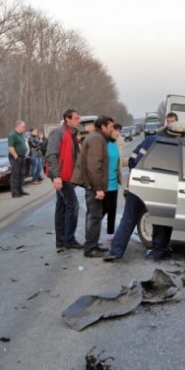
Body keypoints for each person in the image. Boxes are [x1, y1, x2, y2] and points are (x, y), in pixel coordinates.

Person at [103, 122, 185, 262]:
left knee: (129, 218)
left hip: (140, 182)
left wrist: (137, 173)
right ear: (177, 135)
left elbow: (133, 160)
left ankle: (116, 251)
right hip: (162, 186)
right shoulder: (176, 146)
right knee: (161, 219)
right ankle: (159, 251)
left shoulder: (150, 140)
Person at [71, 115, 115, 258]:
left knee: (94, 215)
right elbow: (94, 167)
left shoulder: (97, 137)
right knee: (94, 216)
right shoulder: (97, 139)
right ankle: (90, 248)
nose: (112, 130)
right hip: (93, 185)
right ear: (103, 127)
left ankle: (93, 244)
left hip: (92, 184)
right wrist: (99, 189)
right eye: (110, 127)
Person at [45, 109, 82, 252]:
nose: (79, 120)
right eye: (76, 118)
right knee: (73, 206)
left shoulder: (72, 135)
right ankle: (69, 240)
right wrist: (56, 176)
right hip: (62, 177)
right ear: (68, 119)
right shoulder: (58, 132)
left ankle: (61, 241)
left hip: (67, 177)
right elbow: (51, 155)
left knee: (61, 208)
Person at [102, 123, 123, 241]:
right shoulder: (104, 143)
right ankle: (91, 233)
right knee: (103, 209)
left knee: (112, 209)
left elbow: (119, 161)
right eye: (115, 130)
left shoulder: (117, 143)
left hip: (114, 182)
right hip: (104, 182)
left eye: (119, 130)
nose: (117, 133)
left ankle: (110, 234)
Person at [8, 120, 29, 198]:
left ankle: (20, 190)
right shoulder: (13, 135)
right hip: (15, 157)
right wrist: (16, 156)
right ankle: (15, 192)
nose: (24, 128)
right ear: (18, 126)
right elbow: (10, 147)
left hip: (22, 156)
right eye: (23, 127)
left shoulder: (21, 135)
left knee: (22, 174)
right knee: (15, 175)